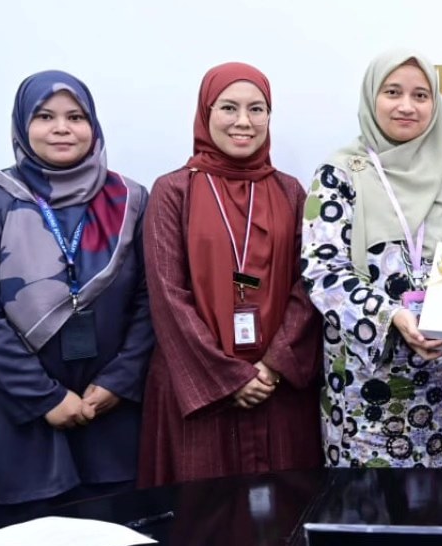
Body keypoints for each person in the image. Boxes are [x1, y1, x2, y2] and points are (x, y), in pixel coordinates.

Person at [0, 71, 152, 526]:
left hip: (110, 421)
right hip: (16, 420)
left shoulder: (131, 200)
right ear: (22, 125)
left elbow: (149, 302)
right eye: (45, 116)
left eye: (76, 117)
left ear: (93, 125)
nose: (62, 128)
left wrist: (120, 381)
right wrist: (44, 398)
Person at [303, 49, 442, 467]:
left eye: (420, 95)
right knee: (377, 503)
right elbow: (323, 269)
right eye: (393, 92)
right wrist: (391, 315)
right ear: (372, 96)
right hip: (370, 392)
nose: (407, 106)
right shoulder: (340, 173)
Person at [138, 62, 322, 486]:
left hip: (277, 388)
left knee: (284, 509)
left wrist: (273, 365)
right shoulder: (174, 190)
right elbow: (167, 294)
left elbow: (309, 283)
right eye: (228, 108)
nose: (244, 121)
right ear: (206, 112)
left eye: (257, 109)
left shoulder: (290, 191)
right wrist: (228, 378)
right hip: (200, 393)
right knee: (204, 513)